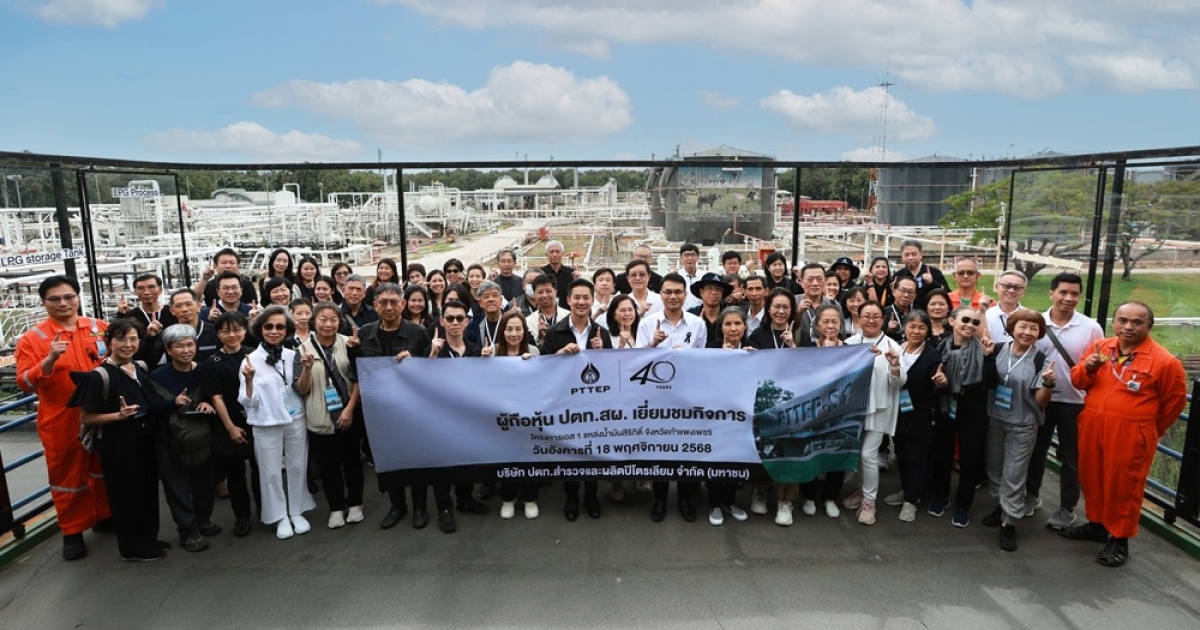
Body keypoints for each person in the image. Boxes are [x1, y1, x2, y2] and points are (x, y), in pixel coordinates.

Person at [1063, 301, 1188, 568]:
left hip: (1131, 433)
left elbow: (1174, 403)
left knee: (1124, 485)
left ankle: (1120, 538)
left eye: (1137, 322)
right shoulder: (1101, 348)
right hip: (1093, 425)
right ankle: (1097, 524)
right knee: (1092, 475)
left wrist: (1147, 429)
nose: (1128, 326)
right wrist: (1088, 368)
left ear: (1149, 326)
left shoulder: (1165, 361)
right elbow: (1077, 381)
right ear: (1114, 322)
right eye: (1122, 320)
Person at [16, 275, 111, 560]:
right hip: (61, 418)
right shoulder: (33, 339)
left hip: (101, 411)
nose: (63, 303)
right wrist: (48, 361)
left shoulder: (98, 327)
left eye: (69, 296)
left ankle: (105, 516)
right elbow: (25, 382)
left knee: (103, 467)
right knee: (67, 476)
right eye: (55, 299)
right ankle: (72, 532)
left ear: (78, 297)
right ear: (44, 303)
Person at [74, 319, 167, 561]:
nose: (128, 344)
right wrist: (118, 415)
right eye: (121, 339)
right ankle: (132, 549)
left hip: (143, 439)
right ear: (109, 342)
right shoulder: (99, 376)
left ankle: (149, 539)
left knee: (146, 491)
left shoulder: (139, 367)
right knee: (126, 496)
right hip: (118, 445)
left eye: (133, 339)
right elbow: (86, 417)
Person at [354, 282, 434, 531]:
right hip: (380, 407)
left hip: (413, 407)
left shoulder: (418, 332)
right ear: (375, 305)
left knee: (416, 458)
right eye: (383, 302)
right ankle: (397, 505)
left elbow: (432, 370)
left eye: (394, 302)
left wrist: (414, 362)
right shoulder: (364, 333)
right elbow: (357, 371)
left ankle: (420, 506)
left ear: (403, 304)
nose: (389, 307)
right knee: (388, 458)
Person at [1027, 272, 1104, 530]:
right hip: (1040, 398)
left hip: (1075, 401)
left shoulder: (1091, 328)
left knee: (1072, 457)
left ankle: (1067, 507)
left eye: (1074, 294)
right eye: (1063, 292)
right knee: (1035, 451)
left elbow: (1097, 365)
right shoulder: (1035, 322)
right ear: (1052, 293)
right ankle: (1030, 495)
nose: (1068, 298)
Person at [979, 309, 1055, 552]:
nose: (1027, 332)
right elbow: (988, 381)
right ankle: (1000, 506)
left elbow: (1041, 401)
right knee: (994, 468)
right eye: (1023, 326)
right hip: (995, 419)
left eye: (1034, 328)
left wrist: (1048, 384)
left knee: (1014, 473)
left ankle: (1009, 522)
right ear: (1012, 328)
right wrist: (987, 357)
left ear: (1039, 333)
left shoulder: (1040, 360)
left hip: (1023, 423)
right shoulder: (998, 350)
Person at [238, 306, 316, 540]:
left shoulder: (293, 355)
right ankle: (279, 515)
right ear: (260, 330)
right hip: (265, 422)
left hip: (295, 417)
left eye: (280, 326)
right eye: (269, 326)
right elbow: (247, 402)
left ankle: (296, 511)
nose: (274, 331)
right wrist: (249, 380)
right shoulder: (250, 360)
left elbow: (303, 389)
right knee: (270, 472)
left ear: (287, 330)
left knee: (297, 466)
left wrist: (308, 369)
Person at [539, 279, 613, 521]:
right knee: (569, 451)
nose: (581, 302)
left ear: (592, 301)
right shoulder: (554, 332)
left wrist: (602, 353)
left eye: (586, 298)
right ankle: (571, 495)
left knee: (592, 450)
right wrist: (559, 354)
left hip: (593, 404)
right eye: (577, 297)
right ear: (568, 300)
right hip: (565, 403)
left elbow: (611, 372)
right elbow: (542, 370)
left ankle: (591, 495)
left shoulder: (601, 332)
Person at [635, 273, 706, 522]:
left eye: (678, 292)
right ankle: (660, 499)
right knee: (660, 449)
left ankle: (685, 499)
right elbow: (636, 363)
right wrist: (653, 345)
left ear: (685, 295)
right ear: (661, 294)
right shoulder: (647, 323)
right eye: (668, 292)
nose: (673, 296)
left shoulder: (697, 324)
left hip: (687, 396)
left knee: (686, 448)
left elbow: (703, 361)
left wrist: (685, 356)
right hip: (657, 397)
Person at [151, 324, 221, 552]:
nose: (186, 350)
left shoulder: (205, 370)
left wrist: (207, 403)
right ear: (168, 350)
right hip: (170, 439)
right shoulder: (157, 376)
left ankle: (203, 519)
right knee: (177, 486)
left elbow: (217, 395)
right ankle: (187, 530)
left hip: (202, 437)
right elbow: (153, 409)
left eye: (190, 345)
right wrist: (173, 403)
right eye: (179, 346)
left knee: (204, 481)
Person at [295, 302, 364, 530]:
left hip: (348, 413)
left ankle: (355, 503)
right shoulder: (302, 350)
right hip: (320, 417)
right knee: (329, 466)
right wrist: (306, 368)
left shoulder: (349, 343)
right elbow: (302, 389)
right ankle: (335, 507)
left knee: (352, 461)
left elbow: (358, 379)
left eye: (333, 319)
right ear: (314, 322)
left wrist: (349, 409)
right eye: (323, 319)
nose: (328, 324)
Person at [427, 300, 492, 531]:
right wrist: (431, 356)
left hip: (469, 418)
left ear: (466, 322)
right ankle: (444, 508)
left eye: (460, 318)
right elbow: (422, 382)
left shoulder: (476, 350)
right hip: (442, 419)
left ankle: (464, 499)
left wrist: (487, 363)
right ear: (442, 321)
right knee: (443, 465)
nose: (455, 322)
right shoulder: (435, 351)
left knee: (468, 461)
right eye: (450, 318)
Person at [841, 301, 905, 525]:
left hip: (880, 407)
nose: (871, 320)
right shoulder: (849, 344)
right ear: (858, 318)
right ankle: (861, 490)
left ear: (883, 320)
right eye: (866, 315)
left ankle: (869, 502)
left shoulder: (892, 346)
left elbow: (899, 383)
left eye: (876, 316)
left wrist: (893, 364)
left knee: (868, 454)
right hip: (853, 408)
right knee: (858, 452)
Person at [933, 306, 996, 527]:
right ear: (952, 321)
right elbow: (934, 380)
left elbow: (992, 383)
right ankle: (941, 496)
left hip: (973, 408)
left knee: (969, 459)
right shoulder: (941, 347)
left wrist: (988, 358)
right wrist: (941, 384)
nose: (970, 325)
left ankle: (963, 505)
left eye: (975, 322)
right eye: (966, 320)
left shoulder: (983, 348)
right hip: (946, 406)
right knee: (943, 454)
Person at [202, 311, 260, 538]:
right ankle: (242, 516)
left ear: (245, 331)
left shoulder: (254, 354)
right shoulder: (212, 363)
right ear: (218, 334)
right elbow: (216, 398)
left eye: (237, 329)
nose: (232, 335)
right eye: (226, 331)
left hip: (257, 420)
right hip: (230, 422)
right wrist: (230, 427)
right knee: (235, 475)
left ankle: (265, 509)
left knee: (260, 470)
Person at [745, 287, 798, 524]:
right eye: (776, 306)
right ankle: (761, 489)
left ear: (792, 310)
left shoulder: (800, 333)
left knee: (790, 451)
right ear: (768, 309)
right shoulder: (759, 334)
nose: (781, 311)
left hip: (793, 402)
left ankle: (786, 501)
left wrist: (794, 346)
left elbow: (812, 366)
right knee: (764, 449)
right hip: (764, 403)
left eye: (786, 307)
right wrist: (747, 354)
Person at [890, 310, 943, 524]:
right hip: (897, 411)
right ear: (904, 327)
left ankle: (912, 500)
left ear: (928, 331)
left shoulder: (932, 355)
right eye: (912, 326)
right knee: (901, 453)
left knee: (916, 457)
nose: (916, 331)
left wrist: (941, 382)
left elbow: (936, 386)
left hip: (920, 414)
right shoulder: (896, 348)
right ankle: (906, 490)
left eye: (922, 327)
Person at [490, 311, 539, 518]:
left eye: (518, 329)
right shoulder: (492, 352)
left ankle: (530, 498)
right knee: (506, 459)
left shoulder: (534, 351)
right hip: (501, 418)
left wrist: (533, 364)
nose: (513, 333)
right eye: (509, 329)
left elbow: (543, 381)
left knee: (529, 458)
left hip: (528, 417)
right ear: (502, 331)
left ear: (525, 332)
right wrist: (484, 361)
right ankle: (508, 498)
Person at [708, 307, 753, 527]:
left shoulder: (753, 349)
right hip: (715, 417)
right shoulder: (710, 349)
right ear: (721, 328)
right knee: (716, 459)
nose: (733, 328)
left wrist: (751, 359)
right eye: (728, 324)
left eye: (737, 323)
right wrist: (721, 358)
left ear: (745, 326)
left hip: (742, 417)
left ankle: (730, 502)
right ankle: (715, 504)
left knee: (737, 460)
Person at [117, 273, 178, 365]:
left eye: (151, 287)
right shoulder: (131, 316)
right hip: (143, 364)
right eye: (141, 288)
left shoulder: (172, 312)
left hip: (174, 364)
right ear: (135, 292)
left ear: (160, 290)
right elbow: (119, 338)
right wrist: (121, 315)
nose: (146, 292)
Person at [154, 288, 220, 367]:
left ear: (199, 306)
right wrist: (150, 338)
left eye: (188, 304)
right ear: (172, 311)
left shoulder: (215, 331)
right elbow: (152, 361)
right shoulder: (166, 334)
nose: (184, 309)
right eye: (178, 306)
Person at [893, 239, 949, 309]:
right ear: (901, 255)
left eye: (914, 254)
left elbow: (947, 294)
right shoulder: (898, 275)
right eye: (906, 255)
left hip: (928, 313)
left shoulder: (934, 272)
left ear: (921, 255)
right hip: (905, 313)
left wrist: (932, 282)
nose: (910, 257)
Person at [194, 247, 259, 306]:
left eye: (232, 263)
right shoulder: (209, 285)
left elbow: (251, 306)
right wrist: (204, 279)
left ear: (238, 266)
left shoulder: (247, 284)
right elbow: (194, 299)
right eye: (224, 263)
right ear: (215, 265)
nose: (228, 266)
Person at [687, 272, 732, 347]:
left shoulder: (730, 315)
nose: (714, 292)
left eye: (718, 289)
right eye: (709, 288)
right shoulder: (691, 315)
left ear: (722, 293)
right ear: (701, 292)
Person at [794, 263, 834, 345]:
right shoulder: (791, 302)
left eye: (819, 279)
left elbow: (840, 334)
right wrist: (798, 313)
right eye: (810, 279)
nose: (815, 283)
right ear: (801, 281)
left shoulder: (833, 305)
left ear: (825, 280)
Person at [985, 269, 1028, 343]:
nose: (1011, 290)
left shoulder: (1030, 317)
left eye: (1017, 287)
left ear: (1024, 292)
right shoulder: (985, 315)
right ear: (996, 287)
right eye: (1006, 286)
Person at [526, 275, 569, 348]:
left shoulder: (568, 316)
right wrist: (539, 338)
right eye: (540, 292)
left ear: (556, 292)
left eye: (548, 291)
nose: (544, 295)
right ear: (534, 294)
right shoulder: (527, 322)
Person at [540, 240, 575, 308]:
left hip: (567, 310)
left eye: (558, 251)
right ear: (546, 254)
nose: (555, 254)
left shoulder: (571, 273)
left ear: (562, 254)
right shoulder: (541, 273)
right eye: (551, 252)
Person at [884, 276, 918, 341]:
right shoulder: (883, 313)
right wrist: (886, 329)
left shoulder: (917, 315)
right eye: (902, 290)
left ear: (915, 296)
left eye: (910, 292)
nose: (906, 295)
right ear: (894, 292)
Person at [677, 243, 703, 310]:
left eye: (693, 255)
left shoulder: (703, 277)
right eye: (686, 255)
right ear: (681, 257)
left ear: (698, 257)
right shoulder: (676, 276)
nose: (690, 258)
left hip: (700, 313)